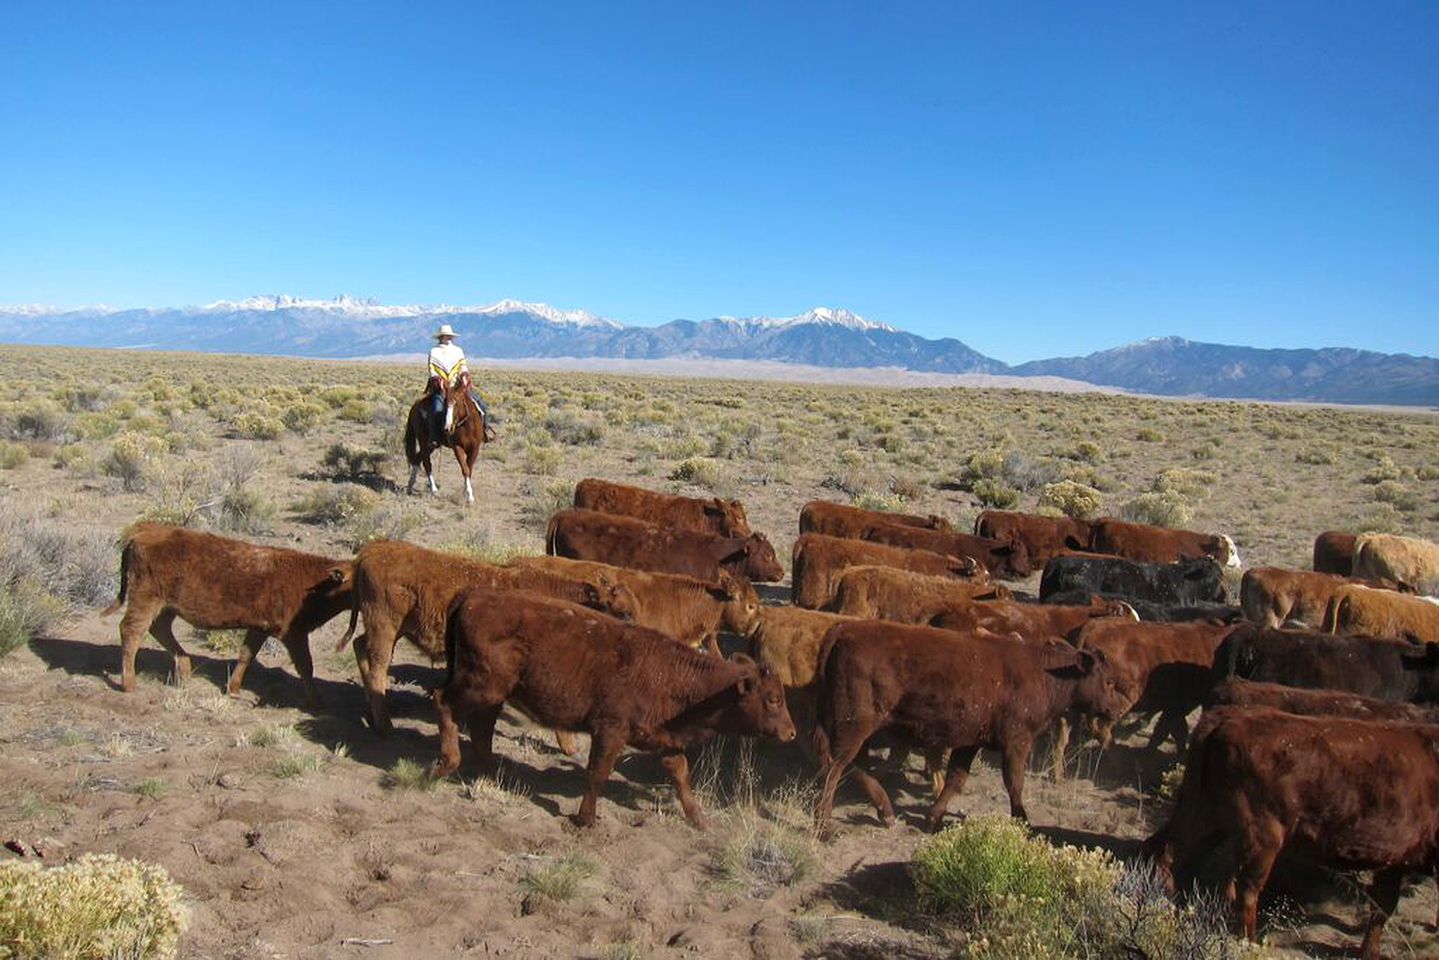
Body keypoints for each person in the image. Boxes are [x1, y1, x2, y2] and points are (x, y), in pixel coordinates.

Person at [426, 324, 495, 443]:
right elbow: (432, 370)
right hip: (441, 389)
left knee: (481, 406)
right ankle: (435, 437)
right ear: (440, 337)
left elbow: (463, 367)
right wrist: (437, 379)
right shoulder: (434, 352)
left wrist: (464, 376)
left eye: (449, 336)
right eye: (445, 336)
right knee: (436, 410)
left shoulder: (458, 351)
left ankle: (484, 431)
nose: (447, 338)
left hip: (457, 387)